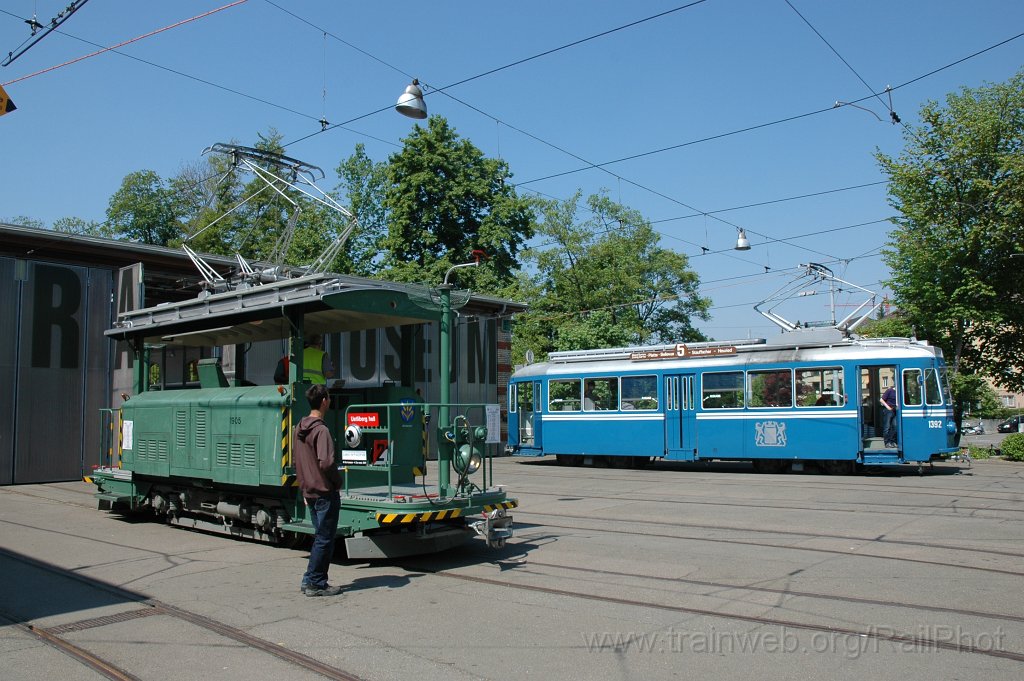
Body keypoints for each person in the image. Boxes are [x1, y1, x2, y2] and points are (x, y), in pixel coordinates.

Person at [294, 383, 344, 597]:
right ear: (324, 401)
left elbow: (297, 461)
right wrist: (337, 482)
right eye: (329, 397)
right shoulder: (321, 430)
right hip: (324, 491)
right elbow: (326, 463)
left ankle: (309, 580)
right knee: (324, 539)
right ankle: (316, 582)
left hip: (309, 491)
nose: (329, 401)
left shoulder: (299, 428)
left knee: (319, 537)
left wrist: (303, 487)